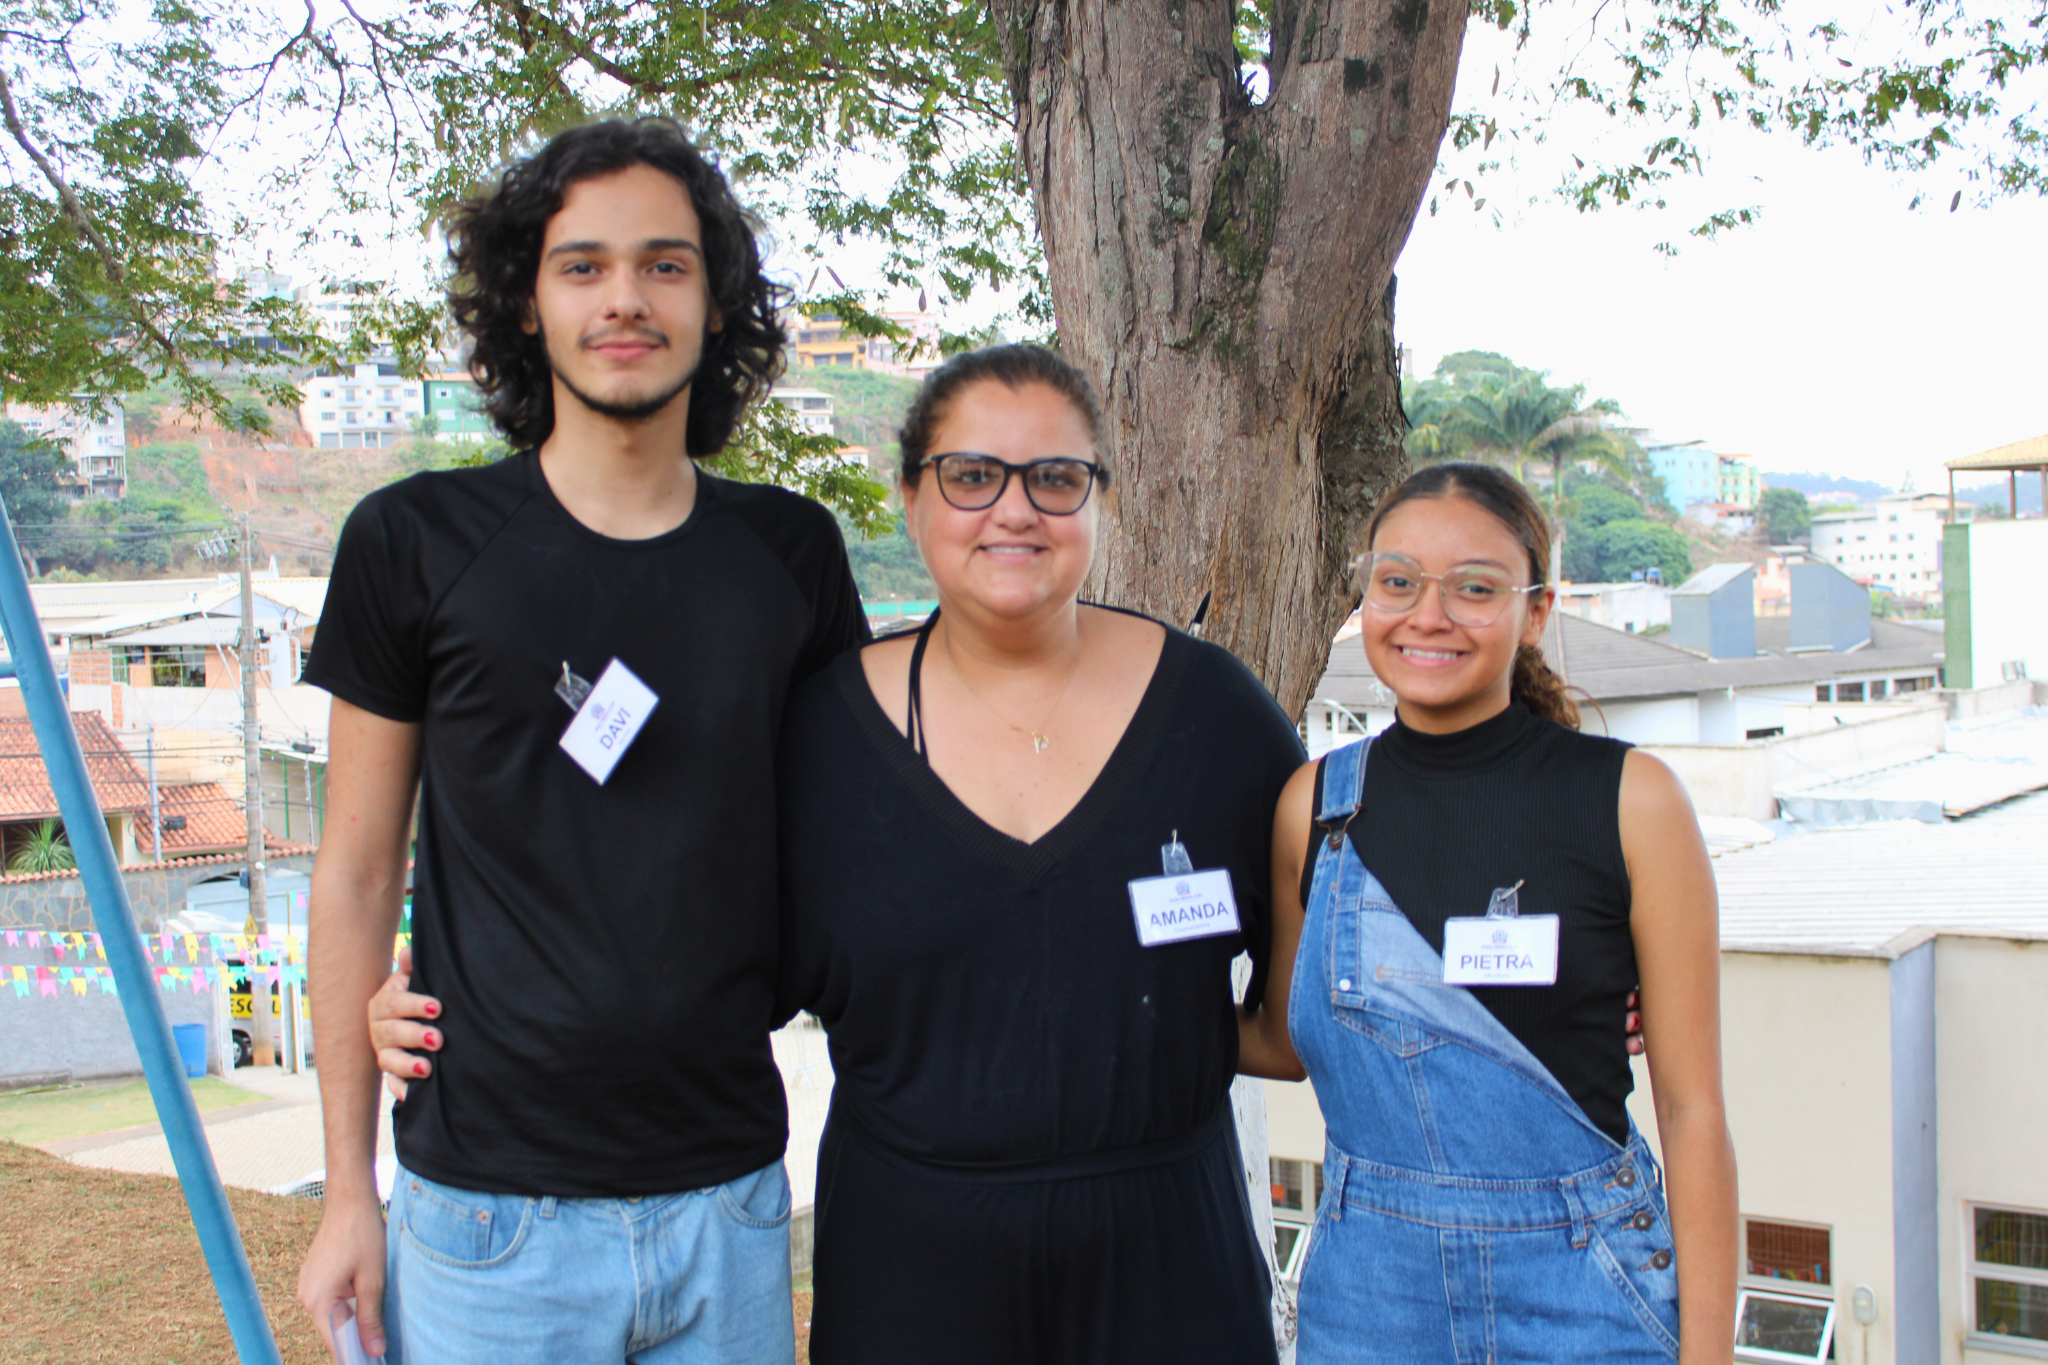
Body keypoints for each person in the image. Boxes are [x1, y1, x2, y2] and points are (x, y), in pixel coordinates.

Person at [295, 118, 868, 1365]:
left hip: (729, 1201)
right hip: (487, 1216)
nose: (625, 299)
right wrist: (348, 1189)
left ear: (716, 308)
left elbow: (854, 846)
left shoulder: (792, 555)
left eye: (666, 265)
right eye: (582, 265)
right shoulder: (414, 542)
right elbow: (349, 870)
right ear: (525, 304)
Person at [769, 344, 1304, 1363]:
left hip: (1169, 1259)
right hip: (909, 1264)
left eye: (1054, 479)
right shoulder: (814, 733)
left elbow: (1335, 973)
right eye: (971, 476)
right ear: (911, 500)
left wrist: (1572, 994)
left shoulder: (1214, 712)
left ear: (1099, 499)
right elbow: (685, 958)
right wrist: (423, 1003)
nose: (1013, 511)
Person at [1243, 461, 1738, 1363]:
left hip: (1588, 1284)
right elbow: (1278, 1038)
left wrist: (1711, 1355)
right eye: (1397, 582)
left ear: (1537, 610)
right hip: (1369, 1297)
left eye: (1474, 588)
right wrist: (1109, 998)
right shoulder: (1313, 806)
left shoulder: (1634, 801)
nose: (1427, 614)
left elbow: (1692, 1104)